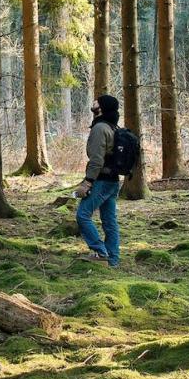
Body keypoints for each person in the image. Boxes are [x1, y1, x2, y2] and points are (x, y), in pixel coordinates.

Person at [73, 94, 122, 266]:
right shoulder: (113, 127)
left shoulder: (100, 128)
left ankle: (100, 252)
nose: (93, 103)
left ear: (101, 108)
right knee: (109, 221)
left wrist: (87, 182)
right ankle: (113, 260)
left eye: (97, 101)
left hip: (101, 180)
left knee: (82, 215)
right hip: (113, 181)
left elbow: (96, 160)